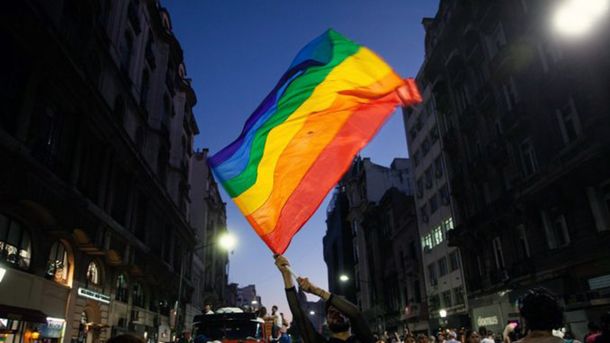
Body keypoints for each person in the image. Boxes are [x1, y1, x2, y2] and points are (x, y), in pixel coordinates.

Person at [275, 254, 375, 343]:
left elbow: (356, 315)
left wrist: (317, 291)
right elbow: (299, 316)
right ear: (326, 320)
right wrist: (286, 275)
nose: (337, 314)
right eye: (331, 311)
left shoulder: (364, 339)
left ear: (348, 315)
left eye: (341, 310)